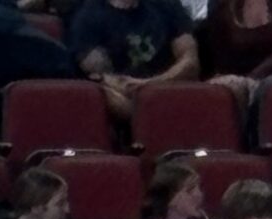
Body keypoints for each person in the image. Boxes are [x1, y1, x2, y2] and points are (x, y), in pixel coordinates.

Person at [69, 0, 201, 125]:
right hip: (127, 108)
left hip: (171, 94)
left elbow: (191, 64)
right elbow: (100, 82)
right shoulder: (87, 16)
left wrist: (149, 85)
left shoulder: (166, 5)